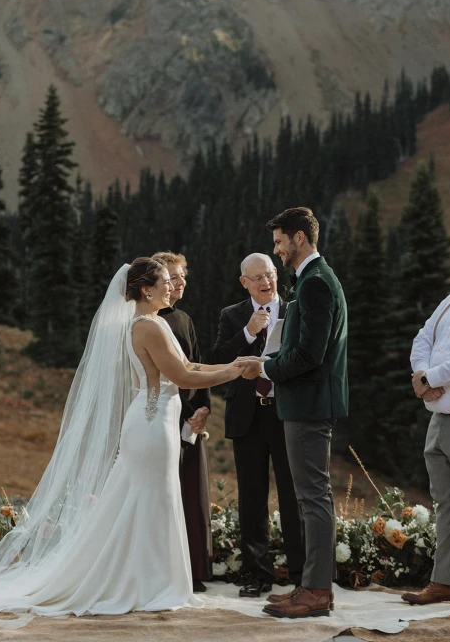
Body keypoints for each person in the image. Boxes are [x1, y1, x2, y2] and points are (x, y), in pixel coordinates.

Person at [0, 258, 242, 615]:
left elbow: (189, 367)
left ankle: (151, 580)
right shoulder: (148, 328)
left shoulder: (152, 324)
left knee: (149, 501)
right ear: (146, 289)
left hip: (157, 422)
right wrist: (233, 374)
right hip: (152, 425)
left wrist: (235, 365)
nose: (171, 286)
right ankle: (146, 583)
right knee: (150, 501)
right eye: (163, 281)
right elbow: (184, 377)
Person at [238, 208, 348, 619]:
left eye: (279, 241)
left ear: (299, 239)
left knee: (313, 498)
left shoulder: (317, 283)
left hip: (309, 404)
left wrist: (263, 367)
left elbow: (309, 354)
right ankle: (311, 586)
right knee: (308, 498)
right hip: (305, 402)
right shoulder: (313, 280)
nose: (277, 250)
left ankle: (317, 591)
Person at [212, 253, 304, 598]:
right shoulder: (232, 315)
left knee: (293, 495)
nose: (266, 282)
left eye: (270, 274)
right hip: (247, 416)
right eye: (257, 277)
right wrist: (249, 333)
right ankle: (256, 573)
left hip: (286, 413)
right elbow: (219, 360)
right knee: (252, 498)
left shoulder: (295, 310)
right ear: (244, 283)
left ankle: (300, 572)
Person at [401, 238, 450, 609]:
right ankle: (445, 583)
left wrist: (433, 379)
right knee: (448, 505)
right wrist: (421, 374)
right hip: (439, 421)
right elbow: (422, 337)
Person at [152, 251, 212, 592]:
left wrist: (203, 408)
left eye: (183, 276)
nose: (181, 282)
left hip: (191, 420)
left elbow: (197, 363)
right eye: (174, 277)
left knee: (192, 494)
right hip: (166, 416)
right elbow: (175, 372)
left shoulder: (184, 319)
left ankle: (194, 568)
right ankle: (166, 567)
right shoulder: (149, 322)